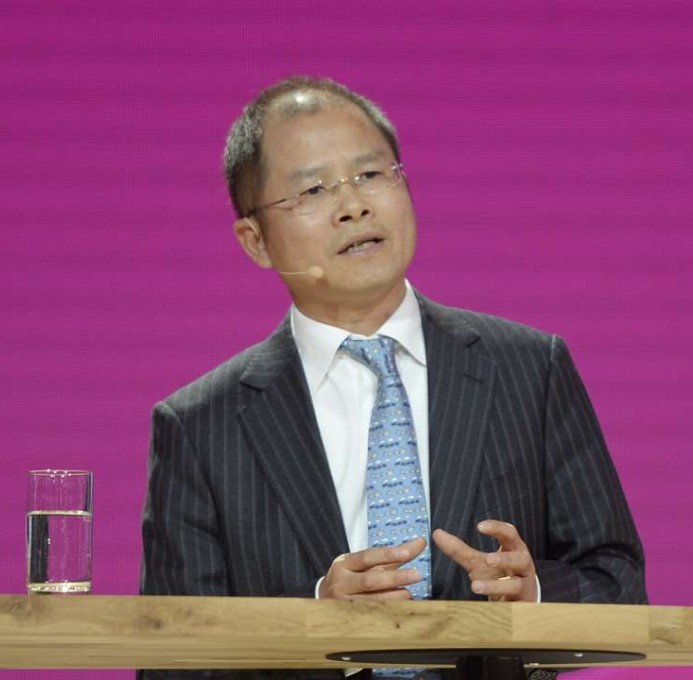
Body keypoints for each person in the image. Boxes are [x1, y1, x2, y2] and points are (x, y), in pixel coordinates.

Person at [140, 76, 646, 678]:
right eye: (313, 189)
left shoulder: (530, 368)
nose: (353, 205)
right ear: (256, 242)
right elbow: (172, 661)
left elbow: (617, 580)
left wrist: (533, 599)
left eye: (371, 174)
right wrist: (314, 624)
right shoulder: (200, 426)